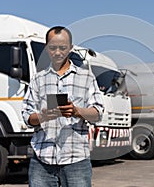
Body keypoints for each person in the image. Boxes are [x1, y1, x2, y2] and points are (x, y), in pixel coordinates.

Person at [22, 26, 104, 187]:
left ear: (71, 48)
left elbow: (98, 113)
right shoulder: (38, 79)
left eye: (63, 48)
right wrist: (43, 116)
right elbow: (27, 116)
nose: (58, 52)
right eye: (52, 48)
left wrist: (76, 111)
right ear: (46, 48)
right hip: (42, 159)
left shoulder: (86, 77)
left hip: (76, 160)